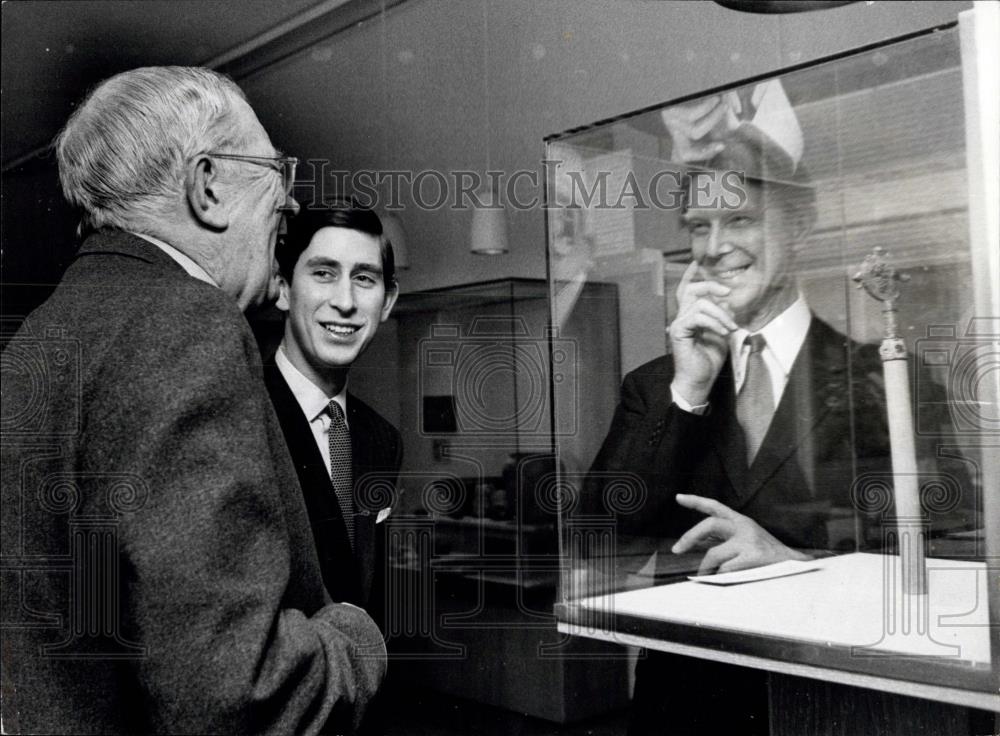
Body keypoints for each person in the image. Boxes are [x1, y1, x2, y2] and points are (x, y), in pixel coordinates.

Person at [0, 67, 385, 735]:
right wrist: (355, 636)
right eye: (277, 176)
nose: (289, 207)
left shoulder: (37, 338)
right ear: (209, 186)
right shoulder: (188, 324)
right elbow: (237, 692)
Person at [586, 122, 974, 734]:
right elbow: (600, 535)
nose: (713, 247)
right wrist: (687, 391)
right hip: (688, 703)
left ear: (797, 228)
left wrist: (797, 563)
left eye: (739, 219)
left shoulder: (882, 377)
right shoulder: (655, 385)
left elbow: (949, 547)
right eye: (698, 226)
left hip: (836, 698)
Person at [264, 201, 401, 625]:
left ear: (388, 300)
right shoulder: (240, 415)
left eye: (364, 278)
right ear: (283, 288)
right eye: (323, 273)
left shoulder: (381, 438)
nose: (345, 301)